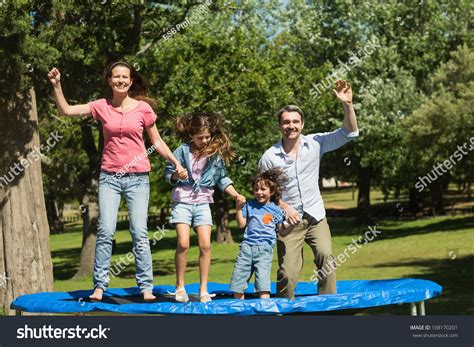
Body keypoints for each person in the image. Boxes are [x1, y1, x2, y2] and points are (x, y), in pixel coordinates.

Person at [47, 62, 188, 301]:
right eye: (116, 77)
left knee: (139, 232)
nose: (121, 80)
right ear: (109, 81)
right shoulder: (101, 106)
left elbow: (158, 141)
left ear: (131, 81)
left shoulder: (143, 109)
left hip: (138, 179)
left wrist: (176, 162)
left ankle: (146, 286)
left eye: (125, 77)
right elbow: (67, 111)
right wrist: (57, 85)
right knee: (105, 230)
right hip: (110, 178)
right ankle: (100, 286)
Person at [258, 80, 359, 299]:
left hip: (315, 216)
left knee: (326, 257)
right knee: (287, 272)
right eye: (286, 122)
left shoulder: (315, 143)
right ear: (279, 126)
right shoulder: (269, 157)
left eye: (295, 121)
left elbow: (349, 132)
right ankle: (283, 311)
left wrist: (348, 105)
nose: (291, 126)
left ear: (302, 125)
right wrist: (284, 208)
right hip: (288, 221)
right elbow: (263, 194)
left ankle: (328, 307)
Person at [164, 112, 246, 303]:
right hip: (182, 202)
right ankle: (180, 286)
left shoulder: (214, 155)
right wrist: (177, 175)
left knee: (206, 245)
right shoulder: (181, 151)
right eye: (200, 137)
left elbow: (222, 179)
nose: (205, 140)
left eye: (207, 137)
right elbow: (168, 175)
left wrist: (235, 194)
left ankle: (203, 289)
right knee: (183, 243)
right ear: (191, 135)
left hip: (203, 203)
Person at [230, 168, 288, 299]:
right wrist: (238, 208)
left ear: (271, 191)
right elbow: (241, 224)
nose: (259, 192)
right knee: (239, 278)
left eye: (263, 189)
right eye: (256, 189)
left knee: (262, 281)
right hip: (246, 247)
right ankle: (237, 307)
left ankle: (265, 306)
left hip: (264, 249)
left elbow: (282, 232)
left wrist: (292, 226)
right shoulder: (249, 205)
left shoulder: (276, 210)